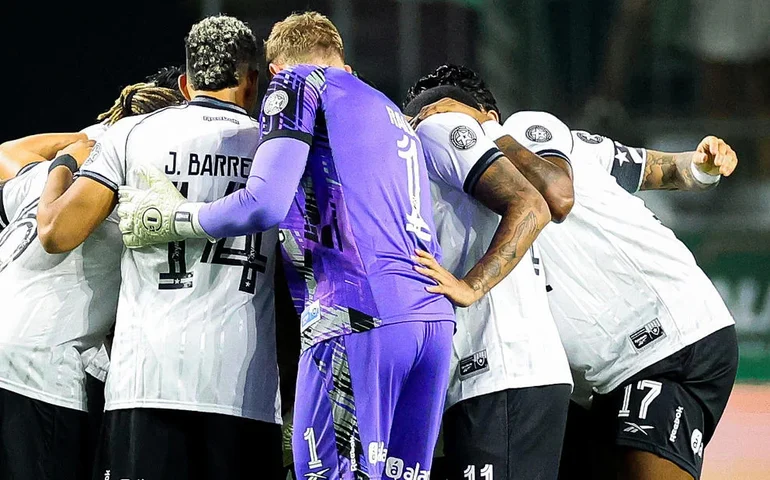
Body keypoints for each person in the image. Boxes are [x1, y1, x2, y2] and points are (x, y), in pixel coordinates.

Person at [115, 11, 455, 480]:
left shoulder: (296, 83)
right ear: (344, 63)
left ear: (273, 72)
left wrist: (176, 218)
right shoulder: (388, 109)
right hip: (431, 321)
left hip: (356, 315)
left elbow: (265, 202)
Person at [408, 64, 739, 480]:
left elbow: (556, 195)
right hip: (600, 379)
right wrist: (701, 167)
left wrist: (484, 131)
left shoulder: (528, 128)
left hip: (667, 343)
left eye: (447, 118)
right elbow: (663, 169)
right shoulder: (480, 182)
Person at [36, 15, 284, 480]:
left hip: (145, 384)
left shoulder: (132, 134)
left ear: (186, 84)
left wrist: (62, 165)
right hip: (243, 390)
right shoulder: (277, 151)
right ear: (252, 83)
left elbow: (56, 234)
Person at [0, 77, 184, 480]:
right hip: (38, 371)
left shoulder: (47, 178)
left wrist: (74, 148)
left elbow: (5, 153)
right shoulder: (134, 190)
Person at [402, 84, 573, 480]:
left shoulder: (435, 129)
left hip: (501, 375)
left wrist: (472, 286)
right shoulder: (473, 167)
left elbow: (535, 206)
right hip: (504, 376)